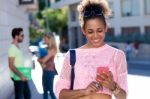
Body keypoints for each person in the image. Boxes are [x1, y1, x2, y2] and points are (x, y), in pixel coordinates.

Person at [55, 0, 128, 99]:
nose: (96, 36)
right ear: (83, 30)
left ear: (106, 27)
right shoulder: (72, 55)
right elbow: (61, 94)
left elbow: (123, 96)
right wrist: (84, 91)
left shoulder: (117, 55)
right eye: (90, 31)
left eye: (100, 30)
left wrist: (113, 86)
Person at [8, 28, 31, 99]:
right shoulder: (12, 48)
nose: (23, 37)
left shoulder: (17, 47)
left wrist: (24, 74)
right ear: (16, 36)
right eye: (22, 35)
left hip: (21, 76)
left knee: (27, 95)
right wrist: (21, 76)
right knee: (20, 97)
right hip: (17, 77)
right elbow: (11, 65)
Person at [38, 33, 57, 99]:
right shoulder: (46, 48)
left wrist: (41, 61)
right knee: (45, 91)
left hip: (50, 72)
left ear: (50, 39)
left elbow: (43, 60)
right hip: (45, 71)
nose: (44, 40)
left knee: (51, 91)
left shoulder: (53, 49)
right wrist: (41, 62)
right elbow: (39, 59)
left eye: (45, 39)